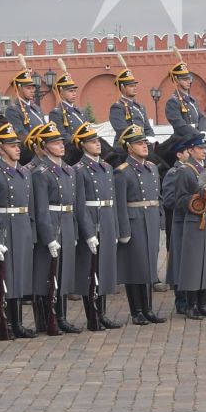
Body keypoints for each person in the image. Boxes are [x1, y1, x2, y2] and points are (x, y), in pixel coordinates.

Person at [26, 122, 82, 335]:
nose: (60, 146)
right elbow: (41, 209)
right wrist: (48, 237)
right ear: (44, 146)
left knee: (64, 272)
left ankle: (62, 316)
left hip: (66, 222)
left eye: (61, 142)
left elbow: (74, 204)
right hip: (51, 222)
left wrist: (74, 230)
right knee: (47, 275)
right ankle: (46, 318)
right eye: (55, 143)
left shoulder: (68, 170)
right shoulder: (41, 172)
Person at [163, 131, 206, 319]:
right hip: (194, 222)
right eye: (200, 148)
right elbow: (179, 200)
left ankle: (203, 304)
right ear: (190, 150)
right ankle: (191, 305)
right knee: (193, 265)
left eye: (205, 148)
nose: (204, 151)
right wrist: (198, 199)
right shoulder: (185, 171)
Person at [0, 126, 37, 338]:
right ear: (0, 149)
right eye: (12, 146)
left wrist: (31, 233)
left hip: (21, 225)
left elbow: (30, 206)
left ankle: (18, 323)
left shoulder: (24, 172)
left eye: (17, 145)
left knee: (19, 277)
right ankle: (3, 323)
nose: (17, 149)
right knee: (3, 277)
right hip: (4, 226)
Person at [73, 123, 126, 330]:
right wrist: (87, 233)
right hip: (92, 220)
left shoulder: (106, 167)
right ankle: (92, 316)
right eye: (92, 142)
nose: (97, 145)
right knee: (90, 271)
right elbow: (80, 205)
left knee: (103, 270)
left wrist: (114, 227)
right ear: (83, 145)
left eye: (98, 141)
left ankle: (102, 313)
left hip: (106, 219)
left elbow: (111, 200)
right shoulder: (79, 170)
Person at [117, 125, 168, 325]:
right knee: (134, 266)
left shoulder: (152, 167)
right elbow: (120, 204)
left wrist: (160, 218)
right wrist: (123, 229)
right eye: (139, 143)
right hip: (134, 219)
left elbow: (157, 197)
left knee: (148, 265)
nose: (144, 146)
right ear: (129, 148)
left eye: (145, 142)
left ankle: (148, 309)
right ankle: (136, 310)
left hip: (151, 218)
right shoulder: (123, 172)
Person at [102, 68, 150, 142]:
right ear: (122, 87)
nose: (134, 88)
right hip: (125, 147)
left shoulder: (140, 107)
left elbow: (148, 129)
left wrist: (151, 140)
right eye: (131, 86)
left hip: (142, 144)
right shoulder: (117, 107)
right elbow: (122, 131)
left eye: (135, 86)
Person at [49, 73, 92, 147]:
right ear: (61, 93)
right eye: (70, 91)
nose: (74, 94)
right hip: (71, 149)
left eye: (74, 91)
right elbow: (62, 135)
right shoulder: (56, 113)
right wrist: (81, 143)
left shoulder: (81, 112)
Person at [164, 61, 204, 139]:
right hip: (183, 140)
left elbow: (202, 118)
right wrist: (197, 134)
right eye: (185, 79)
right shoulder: (173, 102)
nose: (189, 81)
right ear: (176, 81)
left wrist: (203, 131)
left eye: (189, 78)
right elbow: (179, 125)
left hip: (196, 137)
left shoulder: (192, 100)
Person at [1, 70, 45, 140]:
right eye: (28, 88)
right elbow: (20, 133)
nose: (32, 91)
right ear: (18, 89)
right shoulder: (13, 110)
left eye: (33, 88)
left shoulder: (37, 108)